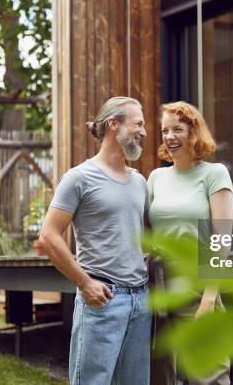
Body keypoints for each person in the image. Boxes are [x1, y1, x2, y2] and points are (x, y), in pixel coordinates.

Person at [36, 96, 152, 385]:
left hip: (140, 298)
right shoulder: (79, 178)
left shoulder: (139, 181)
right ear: (114, 124)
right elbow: (49, 236)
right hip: (103, 299)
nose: (144, 132)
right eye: (138, 124)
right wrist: (84, 283)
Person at [147, 101, 233, 385]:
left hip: (197, 282)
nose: (169, 137)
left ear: (193, 131)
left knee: (208, 372)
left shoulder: (214, 174)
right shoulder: (156, 178)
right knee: (160, 374)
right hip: (157, 284)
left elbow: (223, 239)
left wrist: (209, 298)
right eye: (164, 131)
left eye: (177, 129)